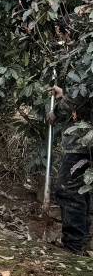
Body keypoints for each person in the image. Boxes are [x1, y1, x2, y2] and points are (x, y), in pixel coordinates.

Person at [49, 84, 92, 254]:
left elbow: (77, 97)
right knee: (81, 189)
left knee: (68, 190)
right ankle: (83, 242)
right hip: (85, 140)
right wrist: (64, 95)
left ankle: (73, 248)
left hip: (84, 143)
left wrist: (57, 111)